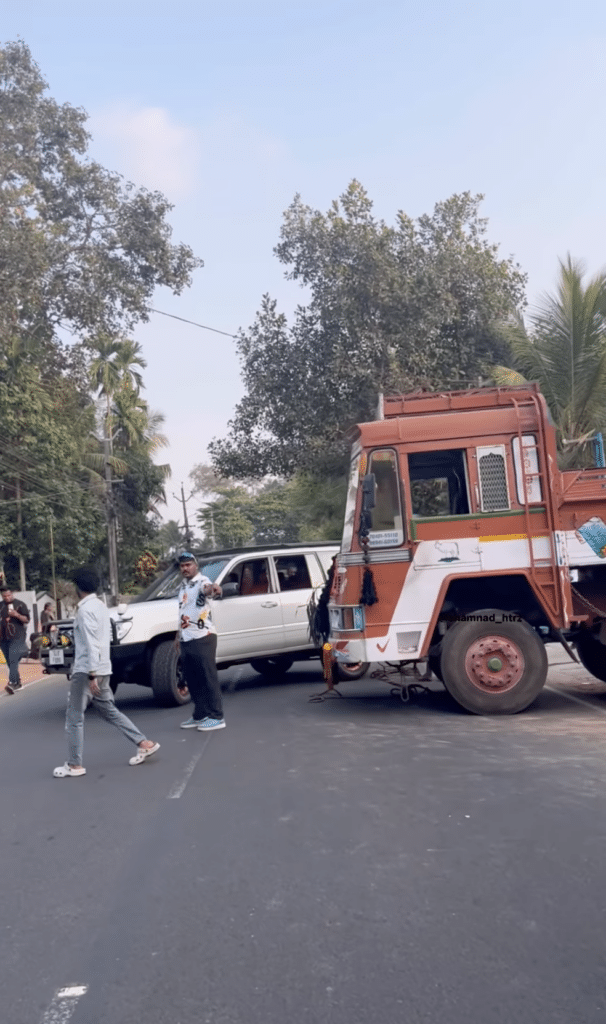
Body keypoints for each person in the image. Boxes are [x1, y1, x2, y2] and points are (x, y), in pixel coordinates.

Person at [53, 567, 160, 778]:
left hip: (87, 670)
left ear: (77, 588)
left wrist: (92, 674)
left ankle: (74, 765)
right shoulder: (101, 607)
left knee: (74, 717)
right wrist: (99, 672)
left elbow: (92, 643)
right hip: (103, 668)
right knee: (109, 711)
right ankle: (144, 743)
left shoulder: (84, 611)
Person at [177, 551, 225, 732]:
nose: (185, 568)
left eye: (188, 565)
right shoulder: (183, 586)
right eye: (182, 566)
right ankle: (200, 714)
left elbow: (209, 589)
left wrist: (214, 589)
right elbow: (183, 612)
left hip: (203, 636)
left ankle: (217, 716)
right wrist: (178, 636)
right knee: (193, 678)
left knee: (207, 677)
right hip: (187, 637)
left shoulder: (201, 582)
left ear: (195, 566)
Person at [0, 585, 30, 694]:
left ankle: (12, 683)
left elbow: (26, 620)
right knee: (10, 662)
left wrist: (16, 614)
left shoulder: (20, 604)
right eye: (4, 596)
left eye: (9, 595)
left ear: (12, 594)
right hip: (3, 638)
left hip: (17, 637)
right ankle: (18, 683)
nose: (7, 598)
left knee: (13, 660)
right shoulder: (1, 605)